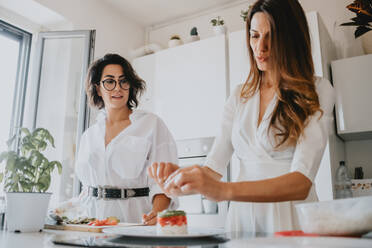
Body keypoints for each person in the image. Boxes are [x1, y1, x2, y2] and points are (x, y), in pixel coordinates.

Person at [148, 0, 335, 233]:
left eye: (272, 37)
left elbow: (301, 182)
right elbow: (212, 168)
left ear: (292, 40)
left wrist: (224, 190)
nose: (261, 47)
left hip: (292, 217)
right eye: (255, 36)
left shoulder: (317, 90)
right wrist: (179, 179)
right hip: (242, 218)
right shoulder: (239, 96)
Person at [56, 54, 178, 225]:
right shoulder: (89, 136)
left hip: (135, 221)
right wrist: (62, 210)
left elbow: (165, 182)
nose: (117, 88)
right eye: (109, 81)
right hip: (92, 224)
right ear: (98, 88)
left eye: (123, 81)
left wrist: (157, 213)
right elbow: (88, 190)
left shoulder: (151, 124)